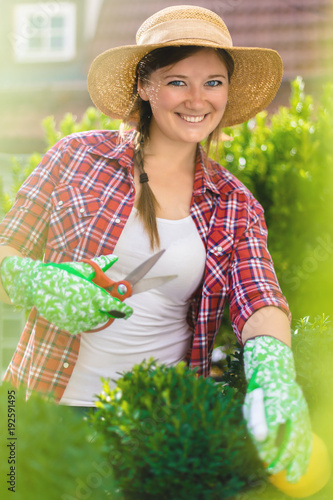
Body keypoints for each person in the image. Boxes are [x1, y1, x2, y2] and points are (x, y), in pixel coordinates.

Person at [0, 5, 311, 484]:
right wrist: (29, 280)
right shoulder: (75, 157)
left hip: (156, 425)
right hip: (39, 408)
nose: (197, 99)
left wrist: (273, 368)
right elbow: (8, 247)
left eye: (213, 82)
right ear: (146, 87)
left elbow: (259, 296)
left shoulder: (233, 202)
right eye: (177, 81)